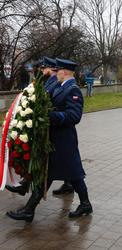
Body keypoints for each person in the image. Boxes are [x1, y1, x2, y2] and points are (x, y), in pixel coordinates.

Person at [6, 58, 92, 222]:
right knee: (69, 174)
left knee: (61, 173)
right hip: (55, 139)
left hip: (64, 140)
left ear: (64, 72)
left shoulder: (73, 90)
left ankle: (29, 210)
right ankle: (85, 204)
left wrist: (50, 116)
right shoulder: (62, 87)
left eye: (58, 70)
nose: (55, 73)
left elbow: (74, 116)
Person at [5, 57, 75, 196]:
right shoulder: (52, 82)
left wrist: (49, 114)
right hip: (53, 126)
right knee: (66, 162)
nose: (41, 71)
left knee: (63, 162)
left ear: (51, 68)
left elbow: (59, 105)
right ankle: (28, 188)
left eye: (44, 68)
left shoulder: (59, 83)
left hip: (59, 128)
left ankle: (30, 197)